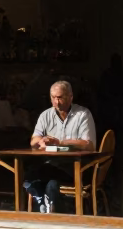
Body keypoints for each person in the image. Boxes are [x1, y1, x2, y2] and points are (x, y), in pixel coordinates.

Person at [25, 80, 97, 213]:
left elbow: (88, 144)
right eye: (53, 98)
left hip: (76, 168)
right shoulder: (45, 115)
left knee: (31, 176)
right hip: (53, 165)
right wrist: (41, 141)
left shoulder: (82, 114)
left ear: (70, 97)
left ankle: (40, 199)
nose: (56, 102)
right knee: (51, 182)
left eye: (60, 98)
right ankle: (47, 208)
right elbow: (33, 141)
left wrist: (60, 142)